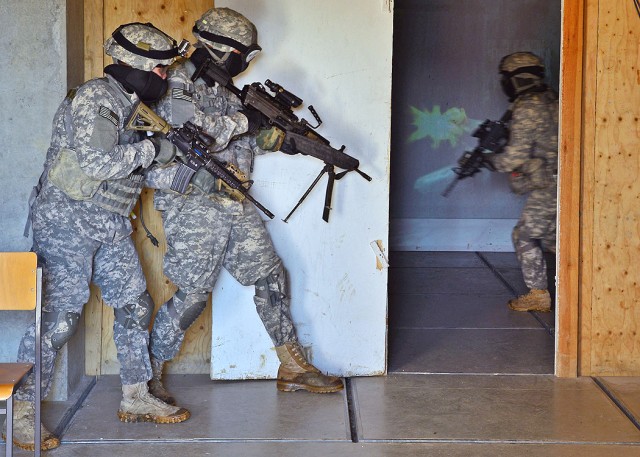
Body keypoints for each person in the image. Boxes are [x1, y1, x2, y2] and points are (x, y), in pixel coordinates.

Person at [3, 22, 191, 452]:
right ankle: (24, 411)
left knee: (134, 301)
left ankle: (137, 395)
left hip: (108, 223)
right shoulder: (96, 98)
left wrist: (178, 168)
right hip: (66, 222)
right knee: (57, 318)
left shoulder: (130, 104)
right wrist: (154, 149)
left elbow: (132, 172)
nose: (164, 78)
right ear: (137, 65)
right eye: (161, 70)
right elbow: (96, 164)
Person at [144, 7, 343, 406]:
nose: (244, 62)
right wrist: (245, 123)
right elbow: (191, 132)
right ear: (222, 48)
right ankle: (145, 376)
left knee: (269, 274)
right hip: (195, 204)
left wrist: (263, 139)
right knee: (194, 294)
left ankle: (292, 366)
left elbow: (231, 137)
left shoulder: (220, 87)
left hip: (234, 198)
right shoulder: (178, 79)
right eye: (242, 53)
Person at [489, 52, 559, 312]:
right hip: (561, 178)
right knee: (554, 238)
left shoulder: (528, 106)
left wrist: (491, 161)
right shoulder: (551, 97)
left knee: (525, 235)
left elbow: (513, 157)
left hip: (549, 184)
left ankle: (538, 294)